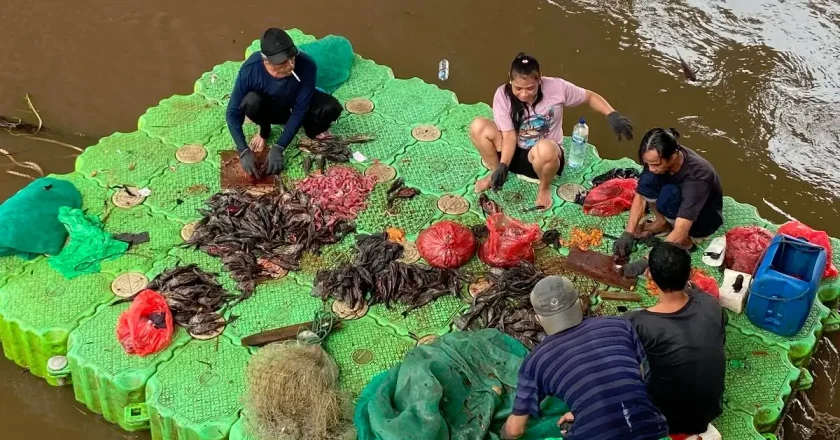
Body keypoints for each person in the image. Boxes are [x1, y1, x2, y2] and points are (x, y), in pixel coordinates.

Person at [500, 276, 669, 440]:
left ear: (538, 319)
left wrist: (503, 435)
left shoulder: (536, 361)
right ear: (581, 303)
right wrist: (587, 409)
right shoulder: (620, 325)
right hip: (654, 428)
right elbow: (637, 378)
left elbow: (515, 430)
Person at [470, 53, 634, 210]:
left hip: (541, 159)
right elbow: (509, 136)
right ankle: (496, 174)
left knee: (545, 149)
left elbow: (589, 97)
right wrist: (503, 165)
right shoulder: (502, 95)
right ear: (510, 79)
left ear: (540, 78)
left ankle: (544, 187)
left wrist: (611, 114)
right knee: (478, 126)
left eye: (530, 88)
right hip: (512, 152)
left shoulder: (557, 87)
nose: (524, 94)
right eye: (518, 88)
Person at [624, 242, 726, 439]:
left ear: (650, 277)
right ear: (689, 274)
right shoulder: (710, 303)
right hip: (711, 408)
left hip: (668, 419)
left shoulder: (637, 322)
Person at [225, 28, 343, 178]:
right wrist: (243, 150)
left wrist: (279, 147)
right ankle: (264, 131)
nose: (291, 65)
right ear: (266, 60)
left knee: (331, 108)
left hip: (296, 104)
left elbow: (301, 108)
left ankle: (310, 131)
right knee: (251, 101)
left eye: (292, 58)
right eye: (283, 63)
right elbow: (232, 112)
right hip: (270, 108)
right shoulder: (251, 69)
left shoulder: (306, 65)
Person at [613, 128, 724, 275]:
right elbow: (640, 196)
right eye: (648, 163)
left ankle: (687, 243)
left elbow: (681, 229)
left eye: (656, 164)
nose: (651, 168)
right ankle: (662, 222)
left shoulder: (698, 175)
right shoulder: (657, 161)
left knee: (668, 196)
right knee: (647, 179)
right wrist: (628, 232)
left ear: (673, 157)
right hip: (675, 200)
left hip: (701, 220)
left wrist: (648, 260)